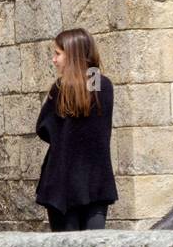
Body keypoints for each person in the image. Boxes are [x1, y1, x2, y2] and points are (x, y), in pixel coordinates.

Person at [35, 28, 118, 231]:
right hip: (96, 182)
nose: (54, 60)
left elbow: (44, 128)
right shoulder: (103, 86)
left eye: (58, 53)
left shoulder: (61, 89)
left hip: (62, 183)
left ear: (72, 55)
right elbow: (94, 83)